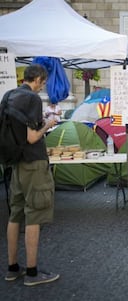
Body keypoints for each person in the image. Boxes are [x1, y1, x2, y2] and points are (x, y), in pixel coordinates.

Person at [4, 64, 59, 286]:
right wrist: (49, 123)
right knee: (35, 214)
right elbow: (33, 137)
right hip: (33, 164)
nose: (42, 86)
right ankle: (33, 273)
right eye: (43, 82)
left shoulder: (9, 95)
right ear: (37, 79)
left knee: (15, 214)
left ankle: (12, 268)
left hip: (16, 162)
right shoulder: (32, 99)